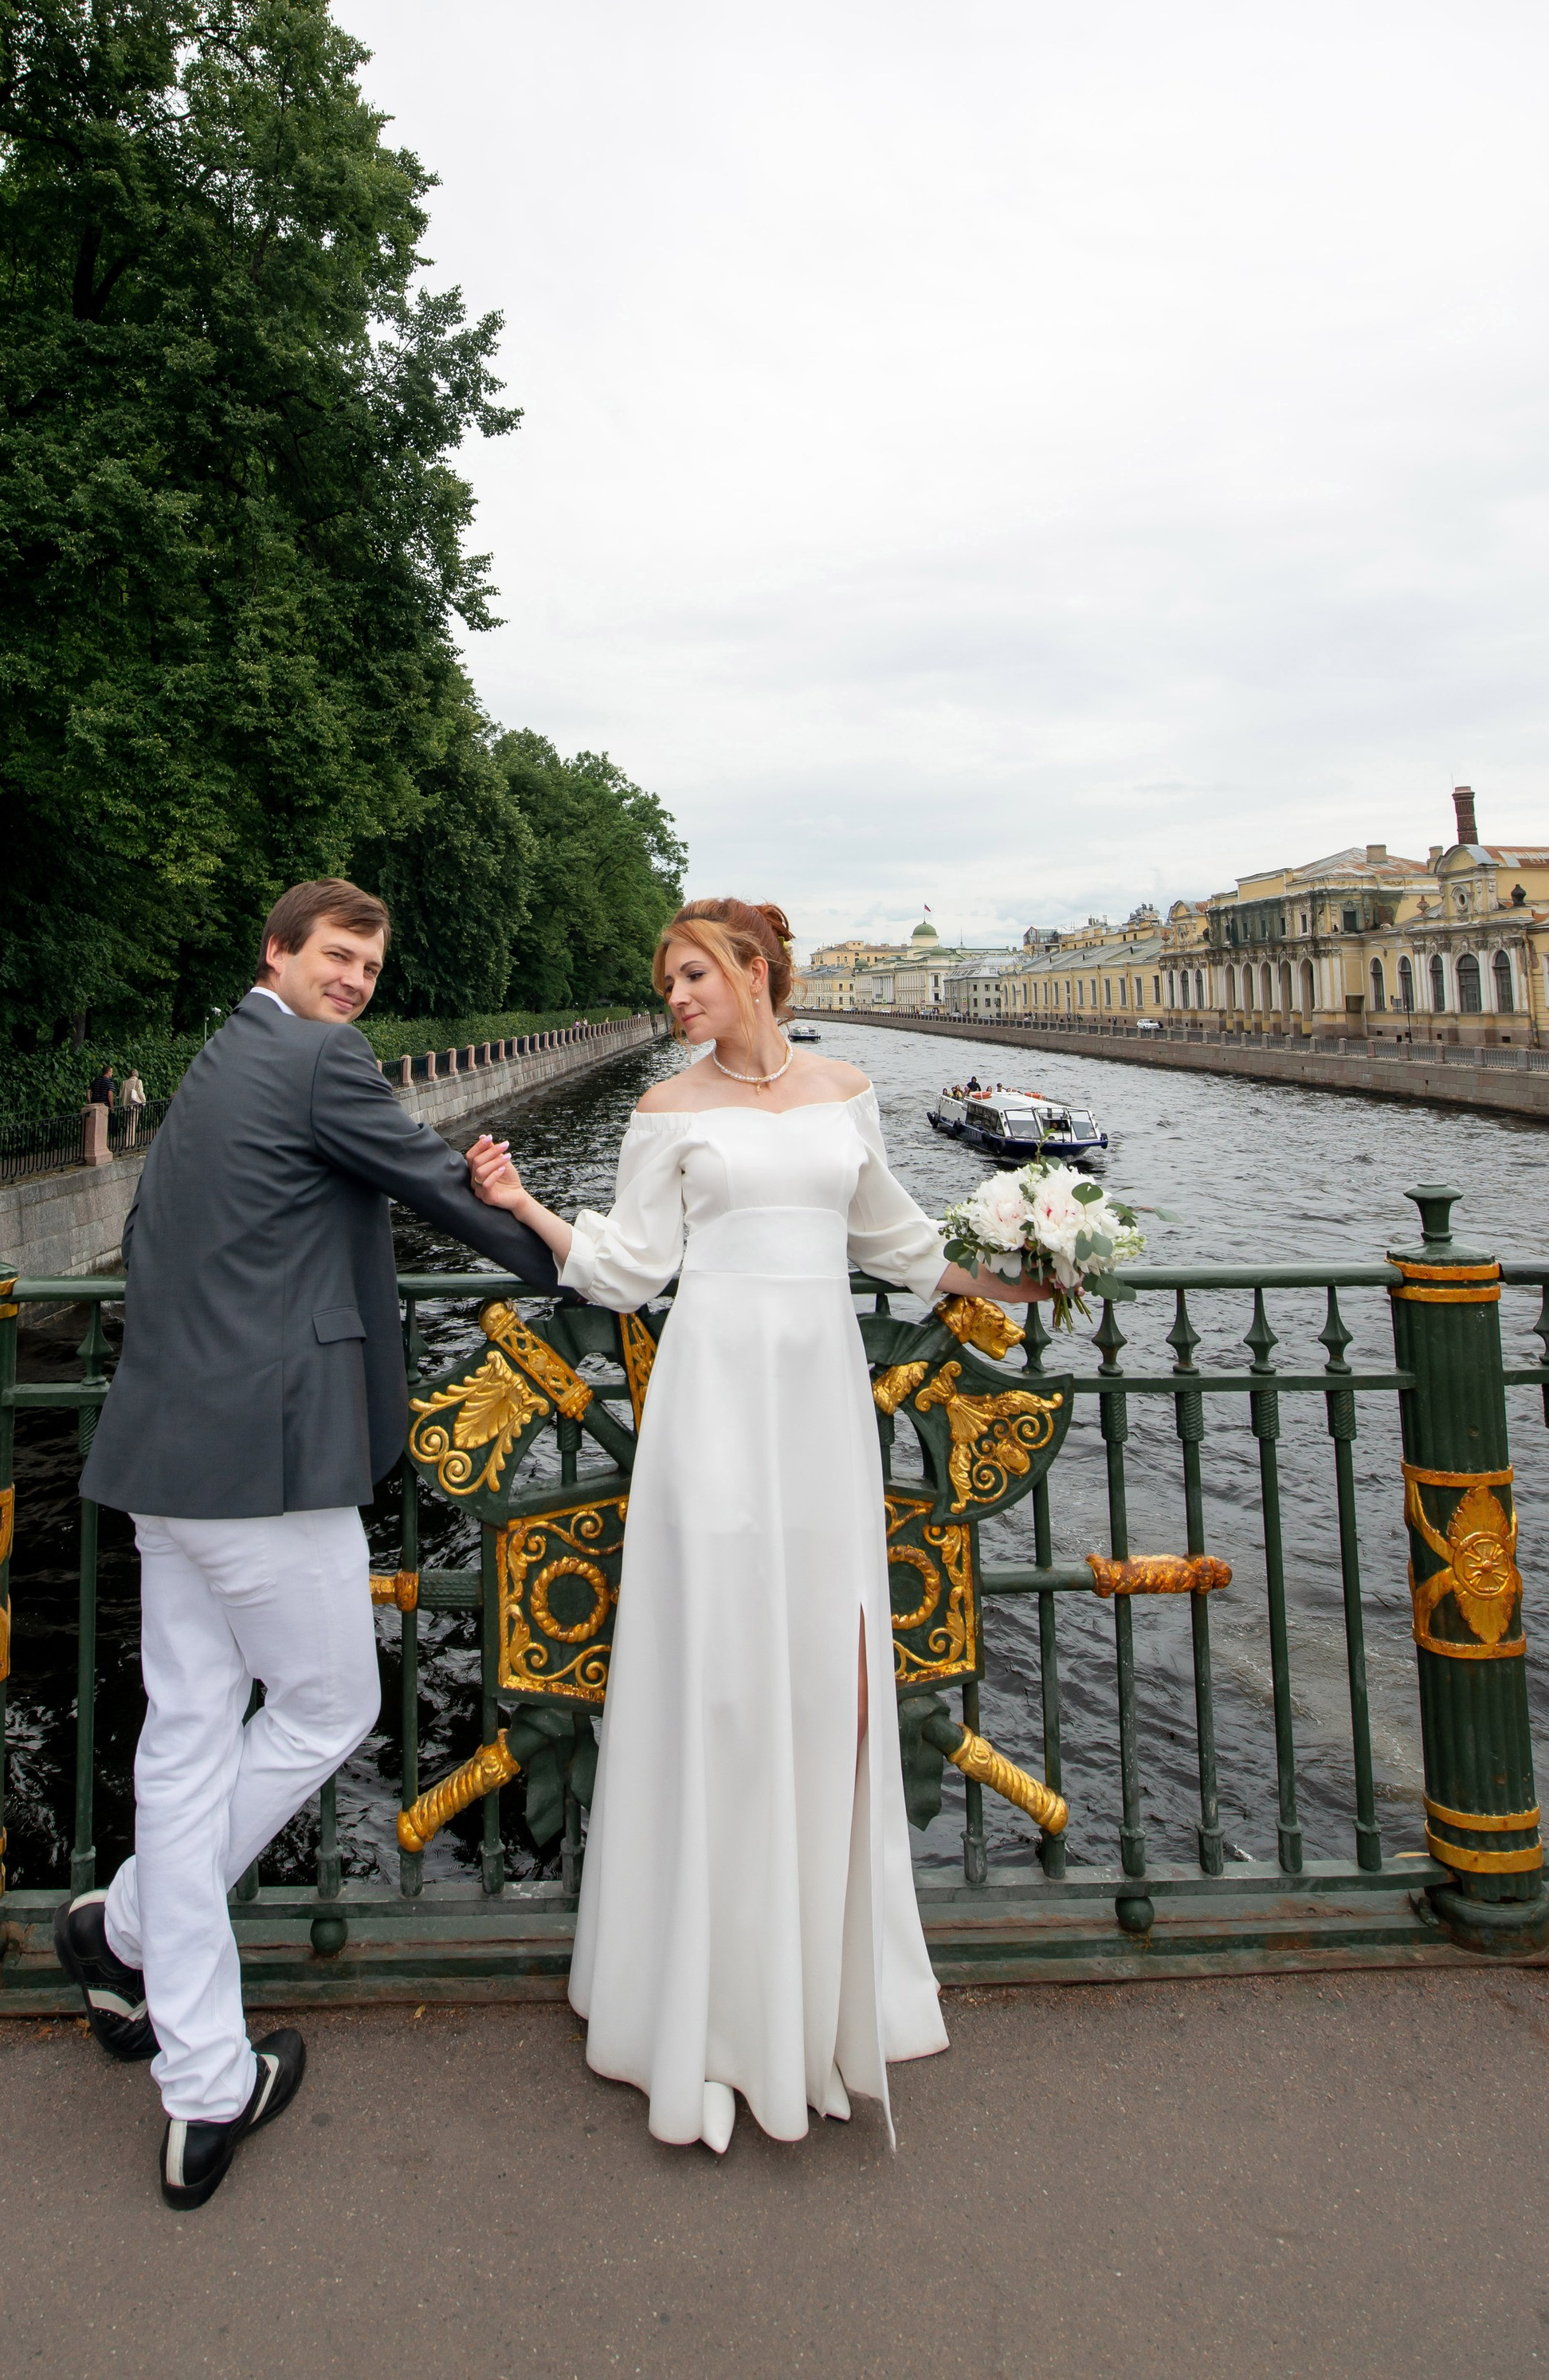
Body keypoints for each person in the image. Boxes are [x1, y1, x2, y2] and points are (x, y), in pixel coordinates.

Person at [466, 897, 1044, 2157]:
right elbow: (627, 1269)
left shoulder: (847, 1088)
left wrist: (1015, 1269)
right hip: (713, 1406)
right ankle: (703, 2004)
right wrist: (524, 1206)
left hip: (822, 1407)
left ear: (755, 971)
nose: (675, 995)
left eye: (692, 974)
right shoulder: (667, 1110)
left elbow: (895, 1242)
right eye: (666, 979)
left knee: (821, 1678)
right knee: (719, 1681)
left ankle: (824, 1989)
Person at [61, 880, 563, 2210]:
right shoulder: (316, 1055)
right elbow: (434, 1187)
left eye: (370, 965)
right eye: (338, 956)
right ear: (277, 953)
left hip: (168, 1457)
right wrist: (583, 1265)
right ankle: (185, 2038)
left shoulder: (220, 1057)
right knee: (334, 1704)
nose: (357, 982)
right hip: (264, 1463)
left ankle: (137, 1959)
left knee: (185, 1735)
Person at [120, 1065, 148, 1149]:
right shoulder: (138, 1081)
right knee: (133, 1124)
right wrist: (144, 1101)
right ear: (136, 1074)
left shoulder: (124, 1082)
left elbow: (120, 1095)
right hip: (134, 1105)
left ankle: (126, 1142)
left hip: (125, 1106)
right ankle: (131, 1143)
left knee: (127, 1123)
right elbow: (140, 1092)